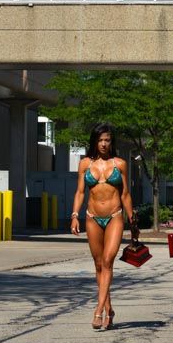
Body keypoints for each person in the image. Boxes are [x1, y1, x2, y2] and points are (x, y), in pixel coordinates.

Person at [70, 123, 134, 331]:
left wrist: (132, 219)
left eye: (107, 140)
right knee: (98, 265)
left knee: (107, 261)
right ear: (94, 142)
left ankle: (98, 311)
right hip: (92, 217)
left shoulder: (120, 164)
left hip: (115, 216)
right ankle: (109, 309)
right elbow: (80, 192)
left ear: (111, 142)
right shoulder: (85, 164)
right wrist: (74, 215)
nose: (104, 144)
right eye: (100, 140)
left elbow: (125, 193)